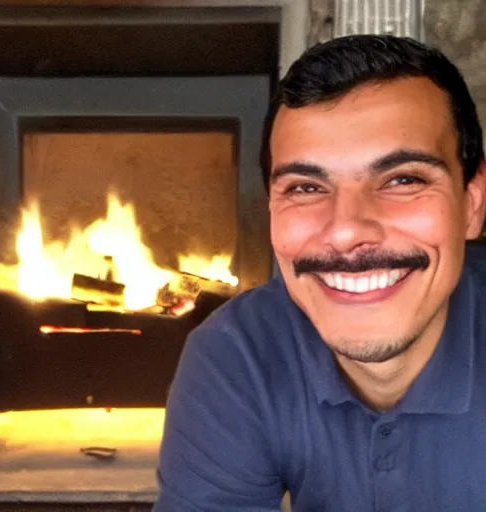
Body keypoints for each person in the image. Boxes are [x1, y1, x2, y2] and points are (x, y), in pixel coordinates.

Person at [153, 34, 486, 511]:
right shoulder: (238, 354)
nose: (347, 231)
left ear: (471, 205)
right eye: (306, 187)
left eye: (403, 180)